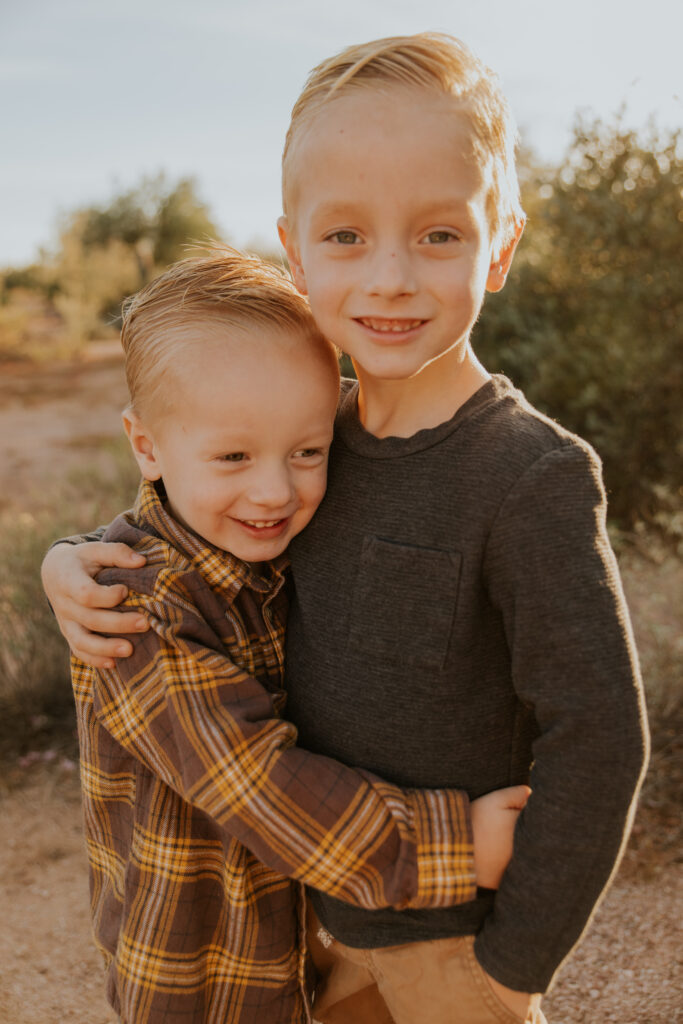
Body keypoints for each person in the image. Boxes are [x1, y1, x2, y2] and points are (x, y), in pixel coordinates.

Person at [42, 33, 649, 1024]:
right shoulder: (310, 441)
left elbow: (596, 737)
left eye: (439, 235)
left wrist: (515, 963)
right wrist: (63, 561)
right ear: (294, 250)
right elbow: (188, 511)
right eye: (345, 238)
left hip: (453, 942)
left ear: (498, 246)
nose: (390, 278)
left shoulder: (527, 475)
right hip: (312, 933)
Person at [54, 247, 527, 1024]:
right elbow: (256, 784)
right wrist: (456, 846)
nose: (274, 490)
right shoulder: (137, 613)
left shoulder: (265, 533)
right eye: (233, 456)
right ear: (146, 447)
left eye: (307, 451)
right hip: (202, 974)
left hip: (303, 938)